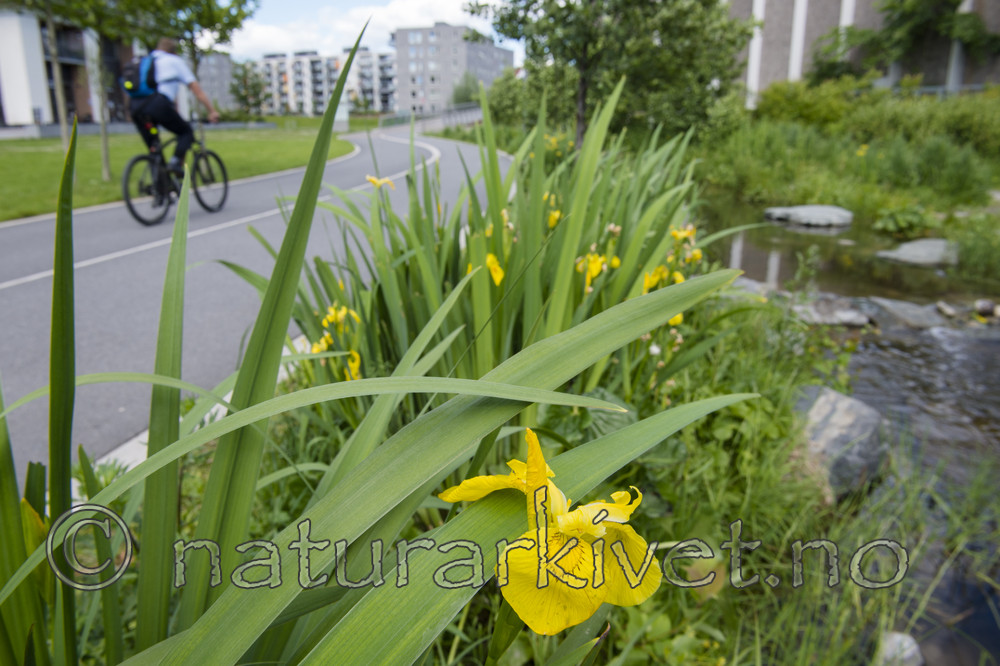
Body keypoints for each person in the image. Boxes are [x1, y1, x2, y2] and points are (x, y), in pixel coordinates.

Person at [130, 37, 220, 176]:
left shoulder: (145, 60)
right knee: (186, 132)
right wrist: (212, 111)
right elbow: (197, 90)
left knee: (154, 150)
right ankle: (175, 162)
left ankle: (160, 192)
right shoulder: (174, 61)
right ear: (174, 52)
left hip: (135, 107)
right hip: (158, 104)